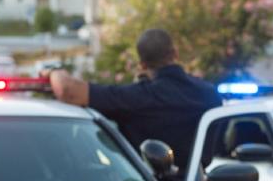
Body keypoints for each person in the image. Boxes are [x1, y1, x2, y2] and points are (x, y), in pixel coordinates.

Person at [47, 28, 222, 171]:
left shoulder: (135, 98)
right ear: (175, 53)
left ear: (143, 65)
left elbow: (68, 91)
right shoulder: (209, 94)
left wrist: (52, 72)